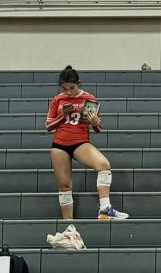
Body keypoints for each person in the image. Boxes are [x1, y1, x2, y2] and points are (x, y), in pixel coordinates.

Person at [45, 64, 128, 222]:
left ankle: (105, 209)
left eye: (72, 87)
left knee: (103, 165)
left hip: (80, 142)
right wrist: (63, 116)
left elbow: (97, 128)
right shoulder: (57, 100)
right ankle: (68, 226)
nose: (69, 92)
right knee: (64, 186)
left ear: (78, 84)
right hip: (59, 144)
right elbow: (48, 126)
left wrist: (95, 122)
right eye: (65, 88)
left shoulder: (89, 99)